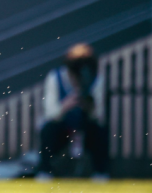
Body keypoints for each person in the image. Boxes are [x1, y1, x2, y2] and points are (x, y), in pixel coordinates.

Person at [37, 43, 109, 181]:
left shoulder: (96, 79)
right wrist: (66, 104)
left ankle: (100, 173)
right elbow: (50, 113)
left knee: (100, 131)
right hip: (61, 126)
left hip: (85, 126)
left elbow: (99, 115)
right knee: (48, 130)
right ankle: (45, 171)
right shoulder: (55, 77)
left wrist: (88, 106)